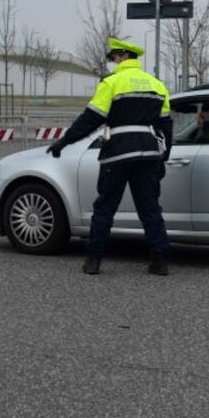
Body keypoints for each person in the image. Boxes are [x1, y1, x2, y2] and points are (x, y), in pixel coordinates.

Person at [46, 37, 173, 275]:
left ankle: (93, 260)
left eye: (114, 57)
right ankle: (160, 261)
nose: (113, 62)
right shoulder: (157, 85)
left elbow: (91, 118)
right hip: (148, 152)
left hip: (118, 152)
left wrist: (65, 141)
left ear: (123, 56)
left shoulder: (112, 82)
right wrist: (163, 158)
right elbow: (166, 126)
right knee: (150, 208)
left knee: (105, 207)